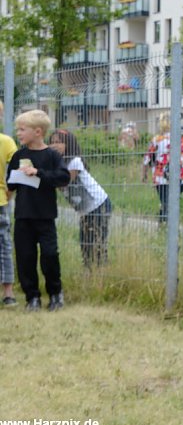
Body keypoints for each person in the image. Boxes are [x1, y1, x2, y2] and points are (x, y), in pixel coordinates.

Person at [6, 109, 70, 312]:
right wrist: (13, 180)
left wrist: (38, 172)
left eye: (22, 129)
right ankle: (31, 296)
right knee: (25, 257)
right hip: (23, 216)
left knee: (50, 255)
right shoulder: (18, 155)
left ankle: (55, 294)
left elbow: (63, 177)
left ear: (38, 132)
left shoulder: (51, 155)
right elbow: (11, 183)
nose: (18, 133)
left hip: (45, 216)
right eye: (18, 129)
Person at [49, 129, 112, 269]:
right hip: (85, 210)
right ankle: (89, 272)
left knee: (98, 241)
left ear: (69, 144)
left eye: (59, 142)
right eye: (52, 142)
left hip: (98, 205)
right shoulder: (58, 163)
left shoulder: (74, 161)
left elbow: (63, 182)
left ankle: (103, 271)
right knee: (85, 243)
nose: (54, 145)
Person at [142, 112, 183, 223]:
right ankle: (166, 228)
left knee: (166, 202)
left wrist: (144, 174)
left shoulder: (157, 140)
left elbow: (147, 159)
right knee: (172, 202)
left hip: (161, 177)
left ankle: (166, 228)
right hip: (181, 177)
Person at [0, 101, 18, 306]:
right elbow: (18, 169)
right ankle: (8, 293)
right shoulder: (6, 142)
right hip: (1, 200)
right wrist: (10, 191)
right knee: (4, 246)